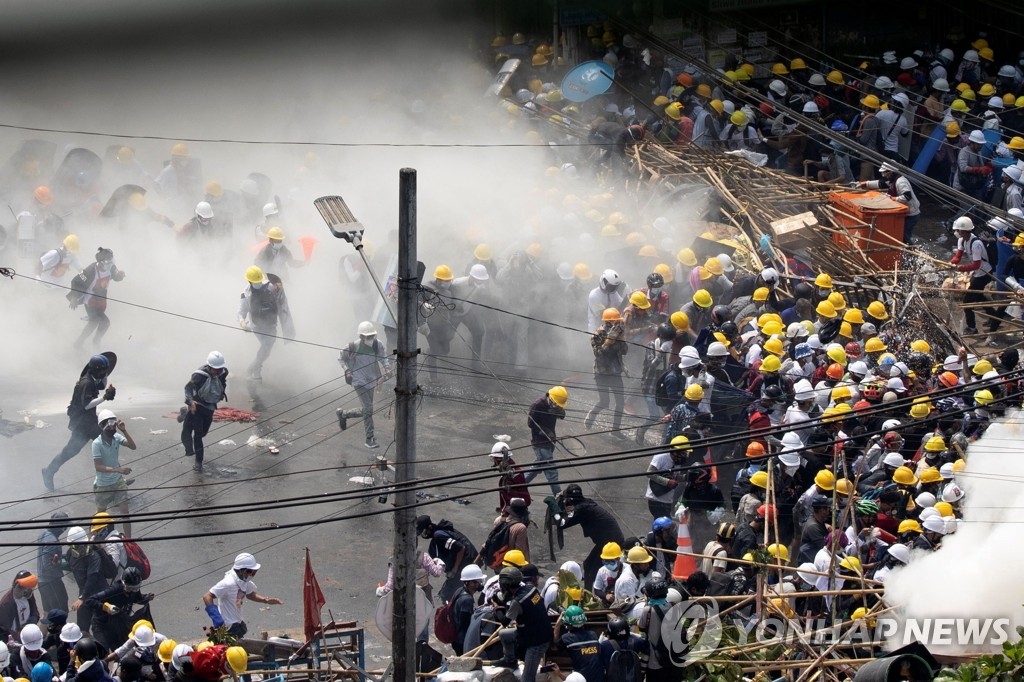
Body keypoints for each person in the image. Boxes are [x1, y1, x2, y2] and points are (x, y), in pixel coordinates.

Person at [43, 352, 117, 492]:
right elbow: (87, 405)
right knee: (72, 451)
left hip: (89, 423)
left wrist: (107, 391)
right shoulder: (86, 383)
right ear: (95, 369)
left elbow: (101, 385)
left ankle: (115, 480)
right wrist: (105, 397)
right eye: (102, 370)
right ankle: (48, 471)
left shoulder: (92, 379)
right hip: (83, 425)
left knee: (107, 446)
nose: (104, 373)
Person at [547, 485, 625, 589]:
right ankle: (588, 591)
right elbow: (572, 515)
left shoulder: (582, 509)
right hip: (608, 539)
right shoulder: (587, 502)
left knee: (593, 570)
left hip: (610, 542)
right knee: (588, 565)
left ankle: (597, 593)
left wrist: (554, 507)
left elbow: (561, 523)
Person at [490, 567, 553, 682]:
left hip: (537, 642)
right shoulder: (531, 589)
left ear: (505, 585)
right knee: (504, 634)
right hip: (540, 630)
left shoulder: (517, 602)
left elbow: (505, 622)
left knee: (527, 679)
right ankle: (510, 660)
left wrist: (496, 608)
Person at [336, 322, 391, 449]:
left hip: (372, 379)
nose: (370, 339)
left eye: (372, 336)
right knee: (368, 409)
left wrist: (387, 367)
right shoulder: (353, 346)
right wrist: (347, 370)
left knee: (367, 409)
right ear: (361, 337)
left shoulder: (378, 344)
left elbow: (383, 357)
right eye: (368, 337)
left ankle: (344, 414)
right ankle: (369, 438)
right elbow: (340, 358)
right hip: (358, 380)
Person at [202, 553, 282, 638]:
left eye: (254, 572)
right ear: (240, 570)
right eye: (249, 571)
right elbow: (207, 596)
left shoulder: (244, 581)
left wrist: (265, 600)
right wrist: (217, 619)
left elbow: (250, 594)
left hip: (238, 623)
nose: (252, 575)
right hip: (227, 627)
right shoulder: (228, 583)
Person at [237, 265, 295, 381]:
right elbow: (241, 312)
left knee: (266, 348)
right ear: (249, 281)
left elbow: (281, 303)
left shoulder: (271, 287)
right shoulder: (246, 293)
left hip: (271, 325)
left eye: (259, 281)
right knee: (265, 349)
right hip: (256, 327)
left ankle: (250, 371)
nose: (258, 284)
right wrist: (242, 322)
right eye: (255, 282)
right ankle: (256, 375)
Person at [68, 247, 126, 349]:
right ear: (101, 262)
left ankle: (78, 343)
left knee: (93, 324)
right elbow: (75, 281)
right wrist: (74, 298)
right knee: (105, 322)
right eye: (109, 262)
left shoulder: (111, 267)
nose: (111, 264)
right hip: (90, 302)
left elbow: (115, 276)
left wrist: (120, 276)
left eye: (112, 261)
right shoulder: (90, 271)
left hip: (102, 301)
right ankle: (96, 340)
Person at [84, 568, 153, 651]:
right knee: (103, 651)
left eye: (135, 588)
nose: (131, 591)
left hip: (117, 626)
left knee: (122, 651)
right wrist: (106, 607)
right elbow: (90, 600)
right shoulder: (114, 589)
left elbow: (137, 598)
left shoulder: (134, 590)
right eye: (129, 588)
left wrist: (146, 598)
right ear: (124, 583)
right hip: (101, 625)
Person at [181, 351, 228, 472]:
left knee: (203, 433)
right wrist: (190, 402)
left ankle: (184, 414)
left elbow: (223, 382)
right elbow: (188, 388)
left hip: (210, 407)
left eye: (220, 369)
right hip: (197, 406)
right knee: (197, 435)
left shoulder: (223, 373)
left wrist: (222, 393)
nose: (218, 372)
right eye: (215, 369)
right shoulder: (199, 375)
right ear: (209, 367)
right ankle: (198, 461)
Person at [92, 410, 136, 538]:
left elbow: (133, 446)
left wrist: (124, 430)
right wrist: (118, 469)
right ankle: (95, 541)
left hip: (117, 482)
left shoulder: (117, 437)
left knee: (125, 513)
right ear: (102, 426)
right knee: (100, 517)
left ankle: (128, 541)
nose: (112, 427)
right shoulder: (97, 443)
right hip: (103, 485)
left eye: (113, 424)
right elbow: (98, 466)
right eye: (109, 425)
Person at [415, 516, 478, 603]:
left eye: (424, 531)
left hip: (467, 561)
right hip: (465, 560)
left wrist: (454, 569)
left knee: (448, 593)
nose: (423, 534)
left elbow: (461, 548)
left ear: (429, 527)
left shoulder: (439, 536)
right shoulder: (436, 537)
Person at [586, 309, 628, 438]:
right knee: (605, 402)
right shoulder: (598, 334)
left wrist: (621, 340)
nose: (617, 324)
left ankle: (615, 430)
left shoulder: (619, 331)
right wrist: (608, 342)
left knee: (620, 402)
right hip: (602, 372)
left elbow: (624, 352)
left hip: (615, 372)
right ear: (608, 322)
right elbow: (598, 354)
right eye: (614, 321)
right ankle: (591, 416)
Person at [949, 216, 994, 334]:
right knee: (978, 296)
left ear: (964, 231)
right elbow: (958, 256)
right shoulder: (962, 240)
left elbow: (976, 265)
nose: (957, 232)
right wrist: (950, 263)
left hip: (984, 273)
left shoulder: (976, 244)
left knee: (967, 301)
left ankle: (972, 328)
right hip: (977, 272)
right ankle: (993, 317)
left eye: (958, 230)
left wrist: (961, 268)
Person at [857, 162, 921, 243]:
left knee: (905, 236)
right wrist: (864, 184)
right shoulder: (893, 180)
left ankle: (911, 251)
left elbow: (907, 196)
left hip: (912, 214)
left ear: (891, 172)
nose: (883, 175)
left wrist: (892, 198)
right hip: (905, 213)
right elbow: (880, 183)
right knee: (900, 234)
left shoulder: (900, 182)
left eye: (885, 173)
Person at [524, 387, 567, 495]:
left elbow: (562, 415)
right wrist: (546, 431)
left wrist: (560, 412)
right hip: (539, 443)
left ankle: (518, 486)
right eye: (556, 404)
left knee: (537, 467)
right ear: (550, 398)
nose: (557, 406)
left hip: (550, 442)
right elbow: (531, 423)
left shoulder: (554, 405)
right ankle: (559, 497)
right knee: (552, 472)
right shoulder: (537, 405)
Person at [66, 526, 109, 632]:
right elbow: (69, 565)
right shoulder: (70, 554)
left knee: (99, 628)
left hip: (99, 595)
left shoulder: (93, 556)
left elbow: (92, 578)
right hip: (84, 593)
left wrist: (82, 598)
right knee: (81, 628)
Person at [553, 606, 603, 682]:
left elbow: (554, 645)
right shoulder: (593, 635)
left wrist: (558, 623)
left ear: (568, 624)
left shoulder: (567, 638)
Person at [37, 513, 69, 612]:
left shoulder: (44, 533)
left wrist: (63, 556)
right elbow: (48, 564)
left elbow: (48, 556)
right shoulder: (52, 540)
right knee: (61, 611)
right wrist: (68, 565)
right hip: (51, 582)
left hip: (43, 582)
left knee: (48, 613)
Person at [488, 440, 531, 512]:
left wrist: (504, 514)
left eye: (495, 459)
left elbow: (511, 502)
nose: (494, 463)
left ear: (500, 460)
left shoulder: (508, 479)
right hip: (520, 508)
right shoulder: (515, 469)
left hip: (516, 512)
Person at [0, 572, 40, 644]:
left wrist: (31, 623)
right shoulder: (6, 603)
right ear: (15, 585)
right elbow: (5, 628)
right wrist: (20, 636)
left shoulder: (28, 595)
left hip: (29, 631)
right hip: (15, 638)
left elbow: (35, 611)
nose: (25, 592)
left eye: (28, 589)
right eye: (21, 588)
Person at [452, 565, 484, 656]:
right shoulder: (467, 600)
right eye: (478, 581)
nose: (480, 583)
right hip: (462, 641)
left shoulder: (460, 590)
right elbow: (465, 623)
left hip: (456, 639)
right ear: (471, 583)